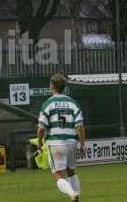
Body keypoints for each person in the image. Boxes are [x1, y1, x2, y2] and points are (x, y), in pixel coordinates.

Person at [37, 74, 85, 202]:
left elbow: (41, 128)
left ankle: (72, 194)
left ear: (52, 86)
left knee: (58, 175)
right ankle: (76, 195)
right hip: (71, 142)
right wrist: (82, 144)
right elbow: (80, 127)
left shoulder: (48, 104)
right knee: (71, 173)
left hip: (56, 143)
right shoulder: (73, 103)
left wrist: (39, 143)